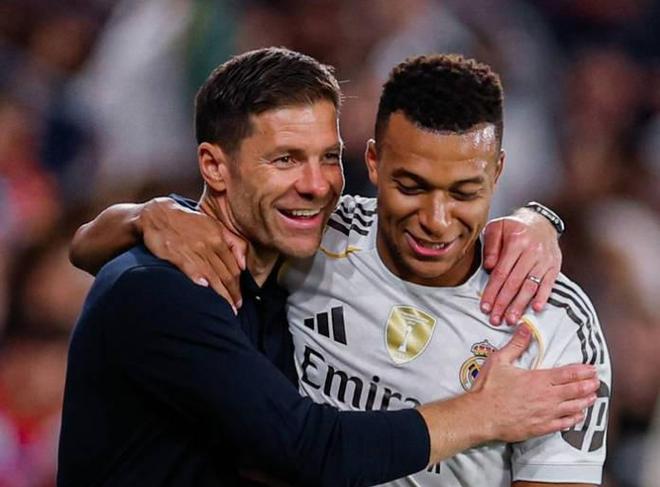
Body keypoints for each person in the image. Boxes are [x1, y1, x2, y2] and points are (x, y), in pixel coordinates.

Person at [60, 48, 600, 487]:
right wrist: (485, 411)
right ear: (214, 167)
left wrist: (539, 219)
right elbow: (309, 448)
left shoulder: (281, 264)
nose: (316, 185)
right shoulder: (167, 289)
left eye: (327, 157)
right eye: (286, 159)